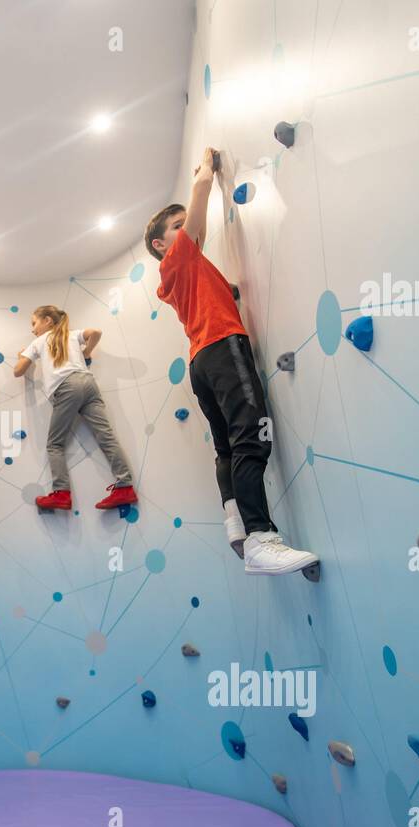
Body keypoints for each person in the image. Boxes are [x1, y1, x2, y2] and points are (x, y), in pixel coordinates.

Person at [147, 146, 317, 575]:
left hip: (201, 361)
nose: (189, 230)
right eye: (178, 226)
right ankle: (261, 537)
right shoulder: (177, 261)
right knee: (253, 438)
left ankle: (236, 518)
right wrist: (205, 169)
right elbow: (203, 191)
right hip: (223, 347)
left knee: (227, 445)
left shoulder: (182, 274)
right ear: (160, 243)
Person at [14, 305, 136, 512]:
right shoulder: (71, 335)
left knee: (54, 445)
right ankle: (125, 487)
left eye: (34, 323)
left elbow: (18, 371)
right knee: (106, 437)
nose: (33, 329)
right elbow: (96, 332)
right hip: (88, 384)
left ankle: (61, 493)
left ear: (47, 321)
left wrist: (21, 357)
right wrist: (86, 352)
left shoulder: (37, 342)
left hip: (67, 388)